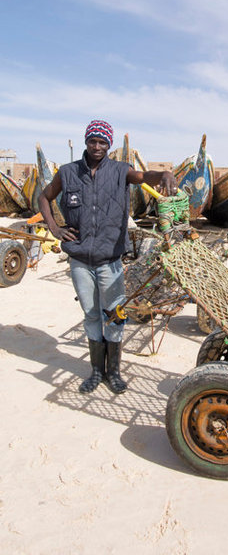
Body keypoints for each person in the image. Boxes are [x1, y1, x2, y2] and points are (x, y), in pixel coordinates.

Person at [38, 120, 177, 395]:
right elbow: (44, 197)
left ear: (109, 145)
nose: (97, 146)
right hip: (79, 260)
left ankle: (113, 372)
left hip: (110, 260)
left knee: (113, 315)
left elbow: (143, 176)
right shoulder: (67, 173)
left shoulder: (119, 171)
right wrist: (54, 228)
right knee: (91, 314)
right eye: (93, 141)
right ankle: (96, 372)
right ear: (86, 142)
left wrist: (165, 175)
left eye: (103, 142)